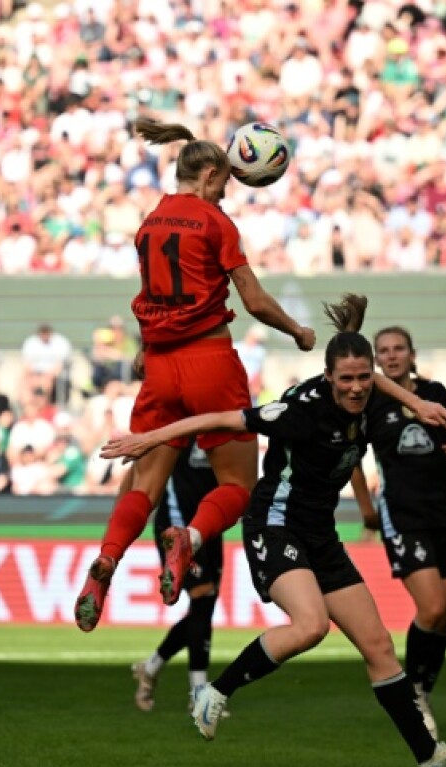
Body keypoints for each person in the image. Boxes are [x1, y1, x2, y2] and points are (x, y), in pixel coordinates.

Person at [101, 295, 446, 767]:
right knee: (311, 625)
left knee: (378, 646)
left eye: (363, 378)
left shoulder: (373, 398)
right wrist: (147, 439)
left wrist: (415, 401)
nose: (356, 388)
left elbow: (379, 379)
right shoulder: (301, 411)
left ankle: (429, 757)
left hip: (319, 534)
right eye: (345, 379)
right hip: (274, 524)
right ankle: (214, 693)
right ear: (328, 378)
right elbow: (221, 419)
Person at [72, 117, 318, 633]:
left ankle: (107, 562)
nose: (225, 196)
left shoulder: (149, 223)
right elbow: (252, 300)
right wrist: (298, 331)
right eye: (223, 185)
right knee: (238, 484)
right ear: (207, 175)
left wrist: (146, 348)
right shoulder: (216, 224)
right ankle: (192, 538)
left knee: (145, 482)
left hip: (160, 367)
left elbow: (153, 296)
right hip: (209, 362)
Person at [350, 325, 446, 738]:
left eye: (398, 349)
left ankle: (422, 689)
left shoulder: (436, 392)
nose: (390, 356)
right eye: (382, 350)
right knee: (433, 607)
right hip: (401, 517)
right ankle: (413, 693)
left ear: (411, 353)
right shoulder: (370, 403)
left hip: (442, 515)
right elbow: (351, 458)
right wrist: (367, 509)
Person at [131, 441, 226, 713]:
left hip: (209, 525)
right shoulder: (182, 426)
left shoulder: (222, 424)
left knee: (204, 606)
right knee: (202, 596)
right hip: (178, 526)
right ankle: (198, 693)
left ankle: (150, 669)